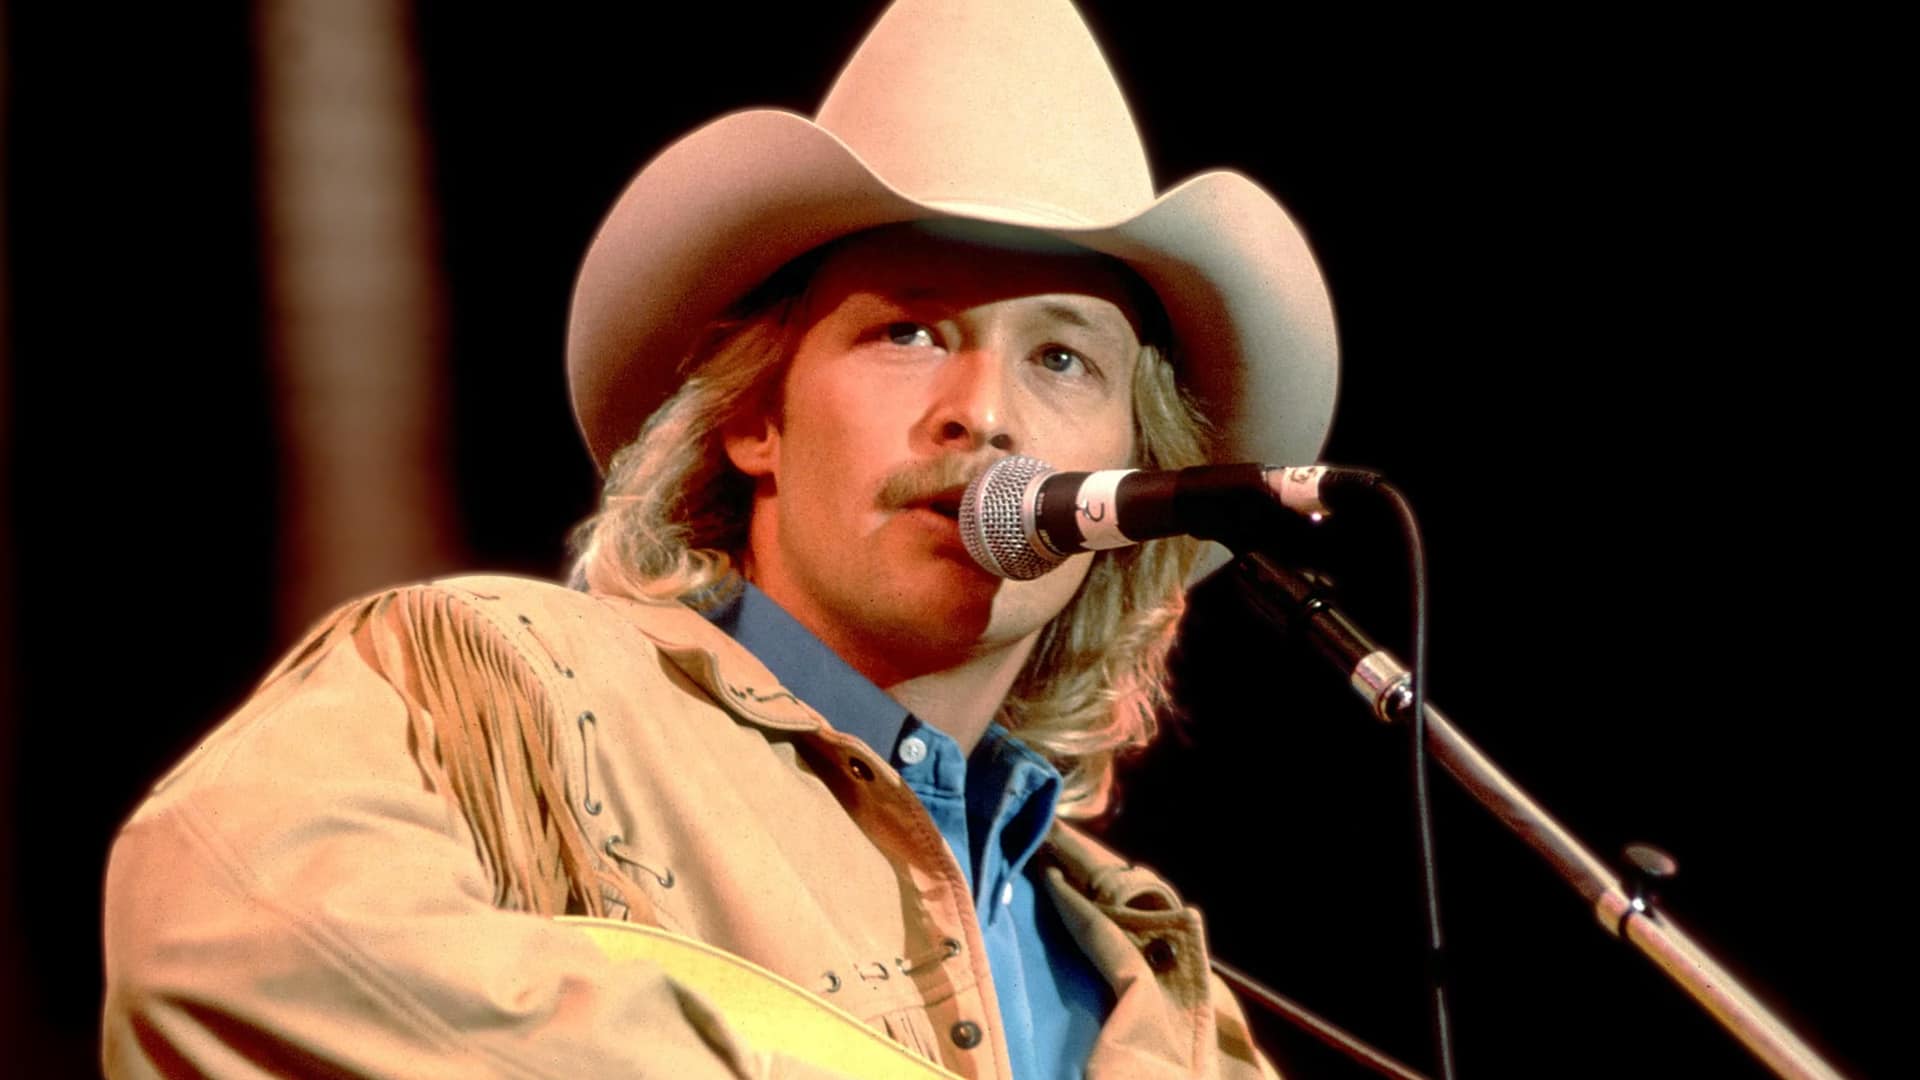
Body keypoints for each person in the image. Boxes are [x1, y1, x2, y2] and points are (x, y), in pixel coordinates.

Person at [100, 1, 1337, 1076]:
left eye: (1061, 357)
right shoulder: (491, 682)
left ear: (1130, 475)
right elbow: (225, 938)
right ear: (756, 417)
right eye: (907, 332)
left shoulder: (1156, 996)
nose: (988, 410)